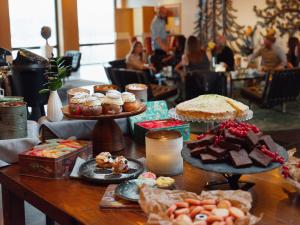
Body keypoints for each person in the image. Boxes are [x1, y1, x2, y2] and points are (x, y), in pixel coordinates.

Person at [150, 6, 170, 71]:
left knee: (166, 71)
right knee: (160, 72)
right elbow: (157, 38)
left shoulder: (162, 20)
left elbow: (165, 34)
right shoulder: (155, 23)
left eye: (166, 13)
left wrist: (167, 45)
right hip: (159, 51)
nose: (165, 15)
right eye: (164, 13)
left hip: (163, 49)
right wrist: (166, 49)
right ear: (159, 12)